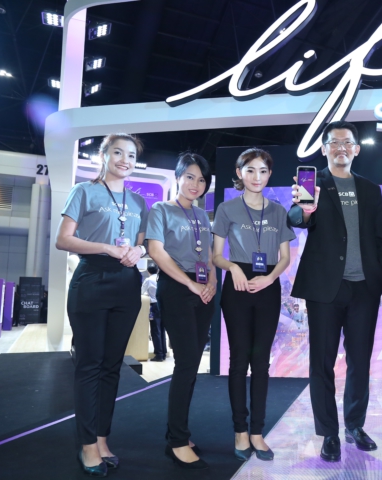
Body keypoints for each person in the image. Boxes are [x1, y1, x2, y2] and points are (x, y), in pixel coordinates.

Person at [289, 120, 382, 462]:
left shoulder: (371, 189)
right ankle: (328, 432)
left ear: (357, 149)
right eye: (334, 142)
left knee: (360, 362)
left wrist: (380, 279)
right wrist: (306, 210)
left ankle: (355, 426)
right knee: (322, 363)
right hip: (324, 289)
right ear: (324, 149)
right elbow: (296, 218)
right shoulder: (312, 182)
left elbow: (379, 238)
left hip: (364, 289)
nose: (341, 148)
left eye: (347, 142)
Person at [55, 133, 149, 477]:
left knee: (112, 367)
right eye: (118, 152)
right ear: (104, 155)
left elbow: (143, 243)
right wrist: (106, 248)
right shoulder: (84, 191)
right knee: (89, 366)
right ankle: (87, 444)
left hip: (127, 284)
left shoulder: (139, 202)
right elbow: (63, 239)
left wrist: (140, 250)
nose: (125, 160)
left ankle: (101, 437)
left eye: (131, 155)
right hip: (92, 280)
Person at [212, 147, 295, 461]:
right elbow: (216, 255)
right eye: (250, 170)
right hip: (237, 286)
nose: (256, 177)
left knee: (261, 363)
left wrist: (270, 278)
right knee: (238, 361)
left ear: (269, 174)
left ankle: (257, 432)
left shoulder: (279, 211)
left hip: (268, 287)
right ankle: (240, 431)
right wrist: (232, 267)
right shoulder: (227, 209)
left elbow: (285, 257)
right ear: (239, 173)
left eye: (262, 171)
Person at [147, 152, 216, 470]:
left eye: (201, 179)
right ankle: (177, 440)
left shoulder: (202, 215)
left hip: (203, 291)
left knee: (191, 365)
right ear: (177, 177)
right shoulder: (161, 209)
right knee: (186, 362)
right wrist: (190, 284)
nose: (195, 184)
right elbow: (156, 251)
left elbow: (209, 255)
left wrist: (211, 282)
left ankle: (177, 432)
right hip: (176, 288)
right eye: (189, 177)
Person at [141, 264, 166, 361]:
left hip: (154, 306)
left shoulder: (148, 280)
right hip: (163, 305)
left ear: (148, 271)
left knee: (155, 330)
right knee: (162, 330)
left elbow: (142, 292)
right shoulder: (160, 279)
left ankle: (159, 355)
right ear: (157, 270)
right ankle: (163, 353)